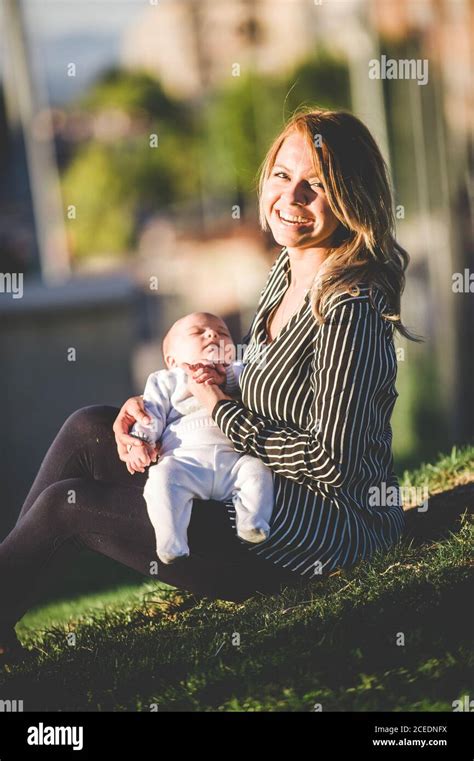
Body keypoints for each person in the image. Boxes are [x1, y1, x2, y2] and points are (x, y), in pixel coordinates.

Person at [0, 106, 416, 662]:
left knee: (64, 507)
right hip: (250, 480)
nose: (291, 199)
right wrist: (154, 408)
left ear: (352, 198)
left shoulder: (351, 309)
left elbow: (330, 463)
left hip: (313, 535)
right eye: (282, 176)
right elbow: (258, 382)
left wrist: (220, 409)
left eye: (316, 185)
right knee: (88, 428)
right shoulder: (287, 272)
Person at [126, 311, 273, 564]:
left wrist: (225, 377)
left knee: (258, 470)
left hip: (234, 460)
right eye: (198, 332)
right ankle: (171, 541)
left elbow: (254, 383)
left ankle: (252, 521)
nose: (213, 334)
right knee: (161, 479)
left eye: (223, 333)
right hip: (185, 461)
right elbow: (150, 413)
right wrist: (141, 441)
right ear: (171, 360)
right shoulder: (166, 380)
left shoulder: (238, 373)